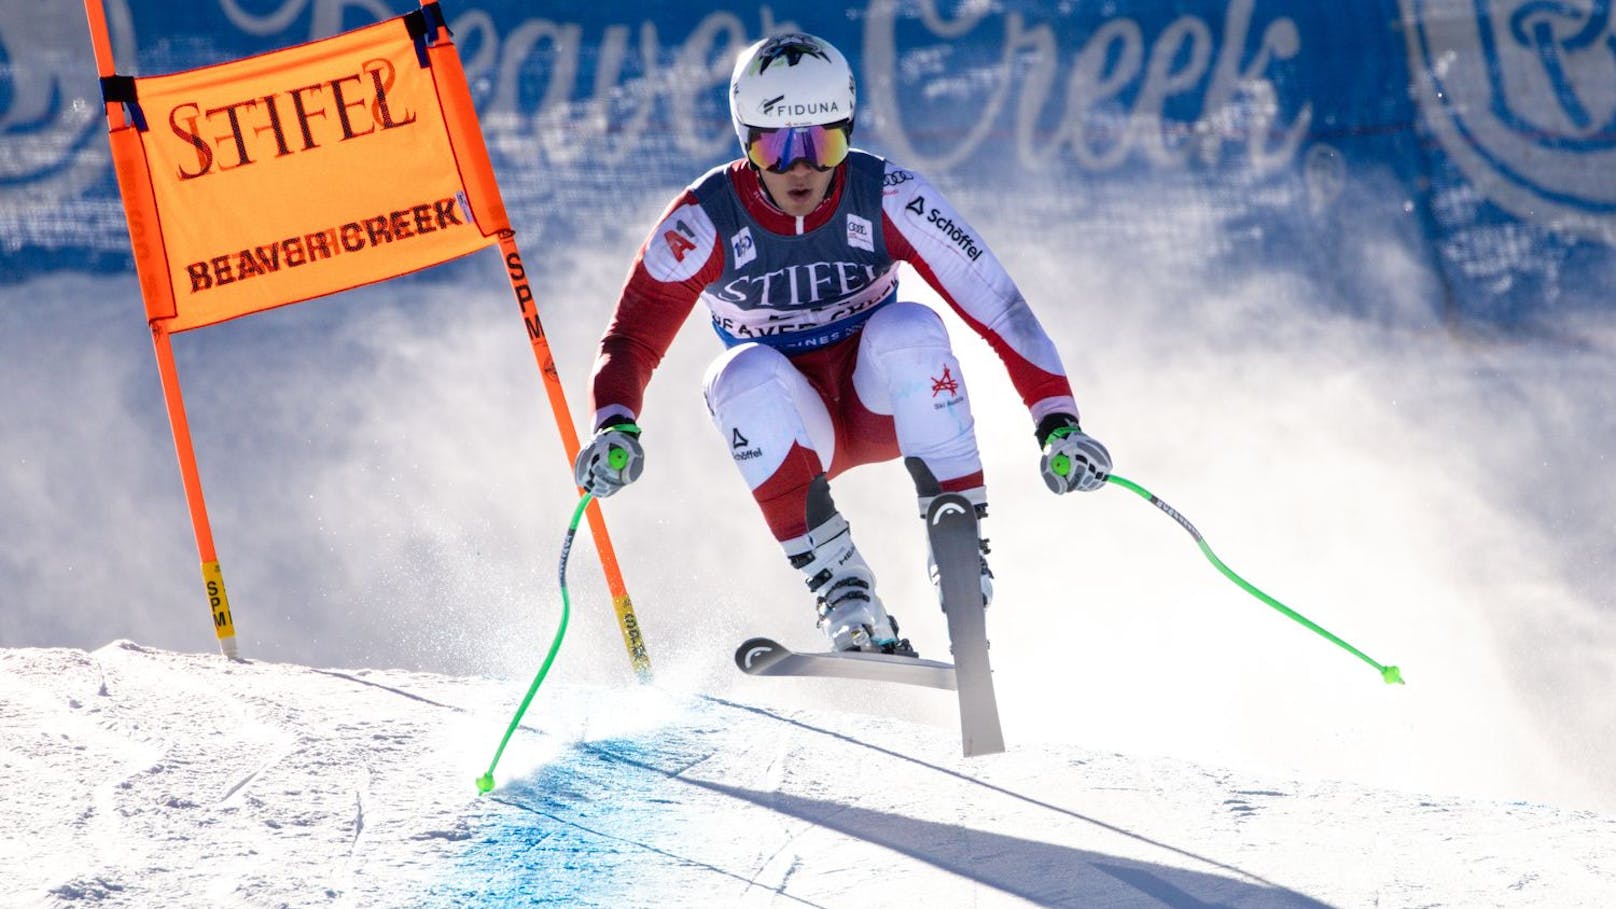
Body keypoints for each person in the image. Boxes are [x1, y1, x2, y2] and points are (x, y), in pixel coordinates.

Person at [573, 32, 1111, 655]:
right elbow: (632, 339)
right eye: (776, 147)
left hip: (880, 402)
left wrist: (1058, 422)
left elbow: (1001, 307)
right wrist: (614, 425)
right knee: (736, 373)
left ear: (848, 133)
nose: (801, 168)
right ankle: (842, 588)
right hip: (798, 433)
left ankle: (960, 548)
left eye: (824, 142)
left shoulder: (887, 195)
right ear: (744, 139)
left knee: (909, 326)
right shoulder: (704, 219)